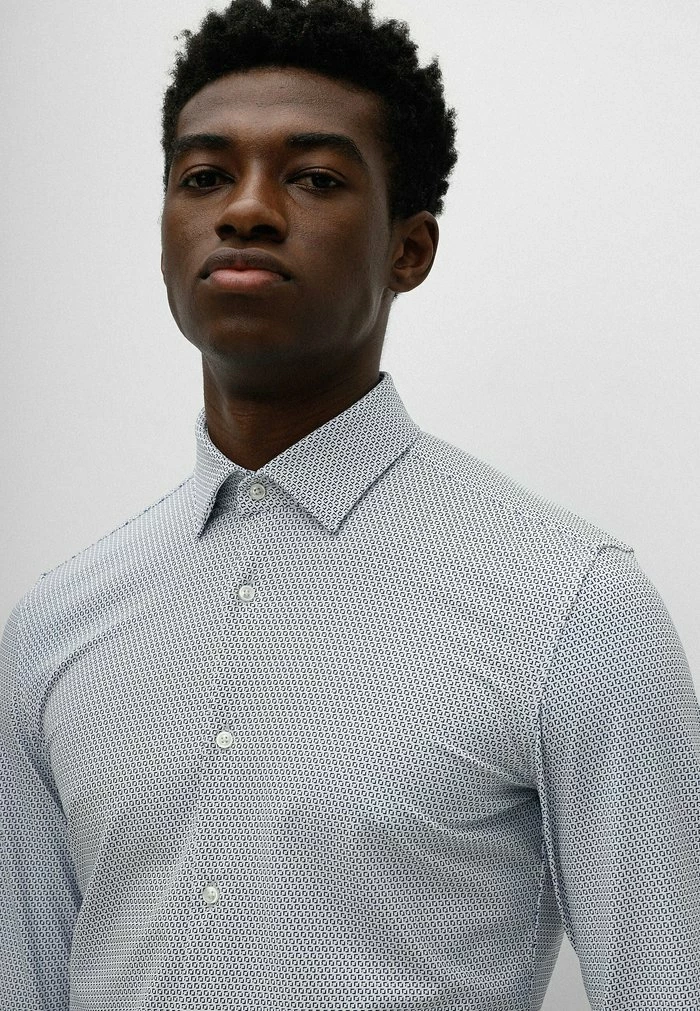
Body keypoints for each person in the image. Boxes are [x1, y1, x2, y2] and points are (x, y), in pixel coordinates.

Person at [1, 0, 698, 1007]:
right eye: (205, 176)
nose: (245, 210)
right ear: (163, 233)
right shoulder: (51, 632)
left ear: (409, 249)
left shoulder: (573, 608)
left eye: (315, 178)